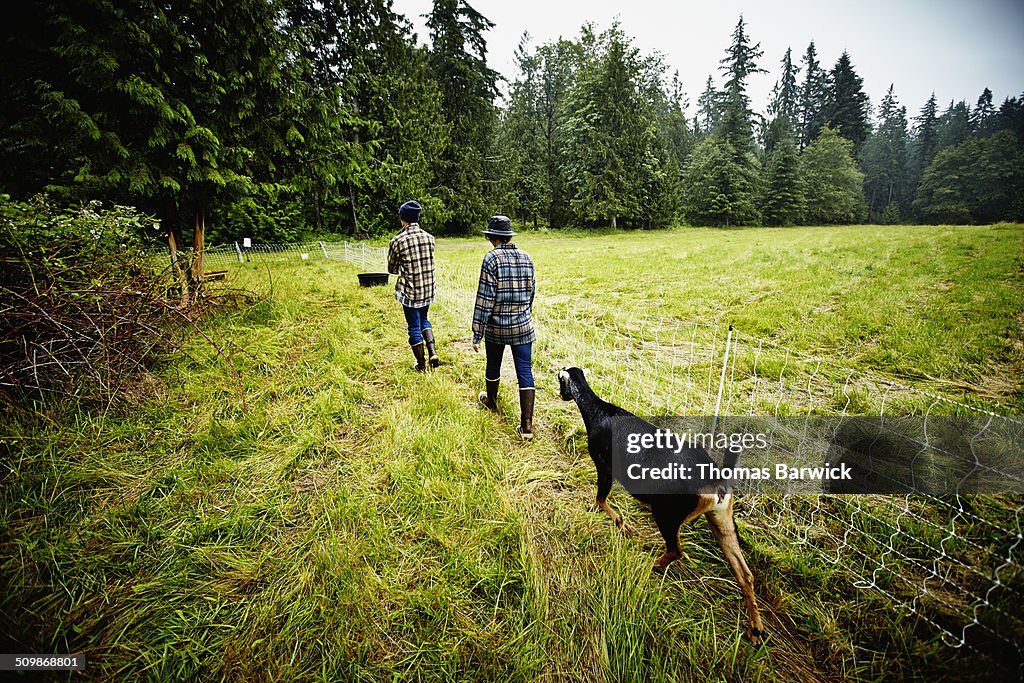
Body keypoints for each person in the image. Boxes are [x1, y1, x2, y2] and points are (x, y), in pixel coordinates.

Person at [472, 215, 536, 439]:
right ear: (508, 236)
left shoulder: (490, 259)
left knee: (493, 365)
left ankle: (491, 401)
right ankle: (527, 427)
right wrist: (524, 314)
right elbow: (531, 293)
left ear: (491, 237)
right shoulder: (527, 257)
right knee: (525, 371)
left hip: (496, 327)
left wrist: (477, 333)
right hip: (523, 326)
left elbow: (484, 299)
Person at [387, 200, 439, 372]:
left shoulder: (397, 241)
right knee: (424, 319)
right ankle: (433, 353)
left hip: (410, 292)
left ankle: (421, 364)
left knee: (414, 325)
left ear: (403, 219)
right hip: (428, 289)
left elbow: (392, 269)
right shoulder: (429, 238)